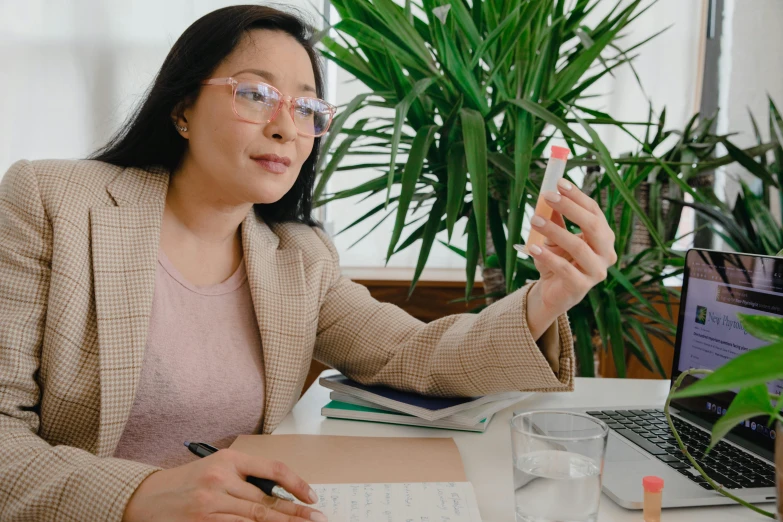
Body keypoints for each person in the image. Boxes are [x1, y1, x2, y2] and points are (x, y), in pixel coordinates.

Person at [0, 5, 617, 522]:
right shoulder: (52, 203)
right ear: (181, 108)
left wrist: (550, 295)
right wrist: (139, 494)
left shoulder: (297, 256)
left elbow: (416, 354)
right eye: (255, 94)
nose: (284, 128)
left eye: (305, 109)